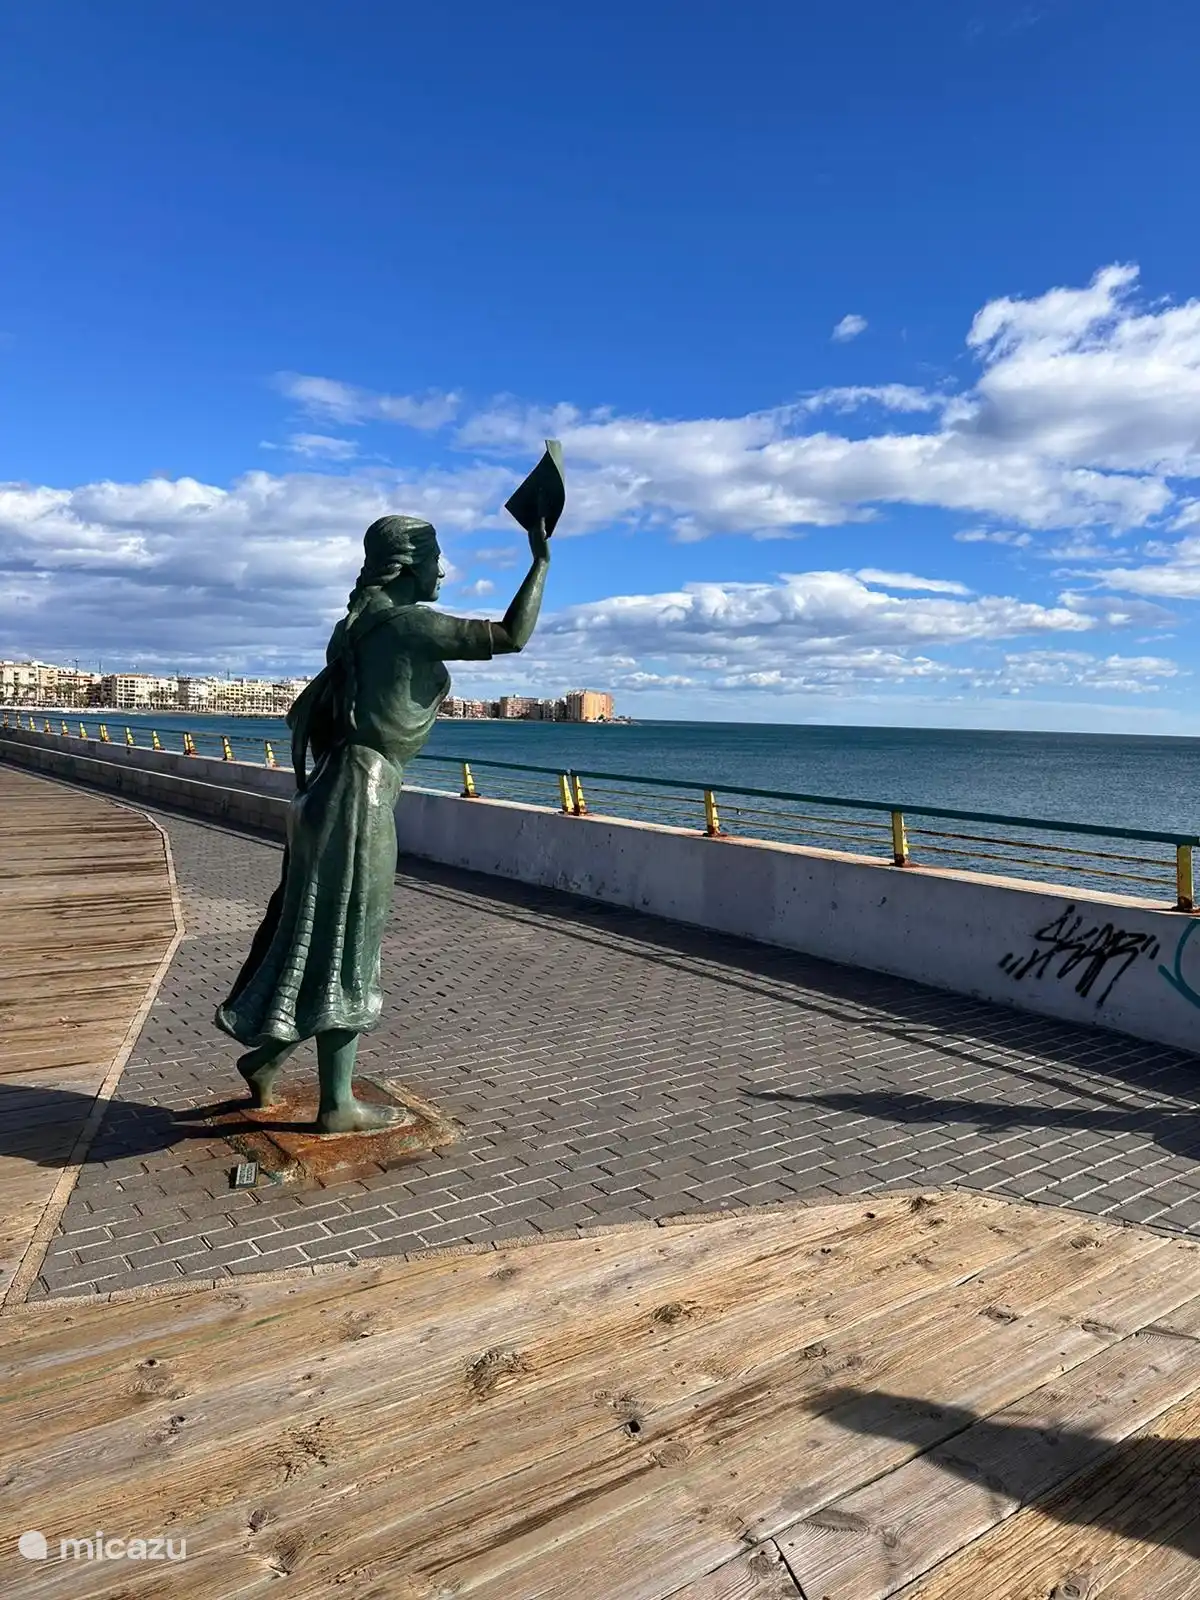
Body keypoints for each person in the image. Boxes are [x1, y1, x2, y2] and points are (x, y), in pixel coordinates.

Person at [214, 447, 561, 1132]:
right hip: (360, 797)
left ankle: (266, 1062)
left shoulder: (358, 626)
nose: (445, 570)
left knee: (314, 935)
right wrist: (541, 560)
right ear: (408, 566)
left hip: (329, 793)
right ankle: (337, 1106)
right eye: (437, 557)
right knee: (349, 947)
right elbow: (512, 636)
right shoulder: (410, 625)